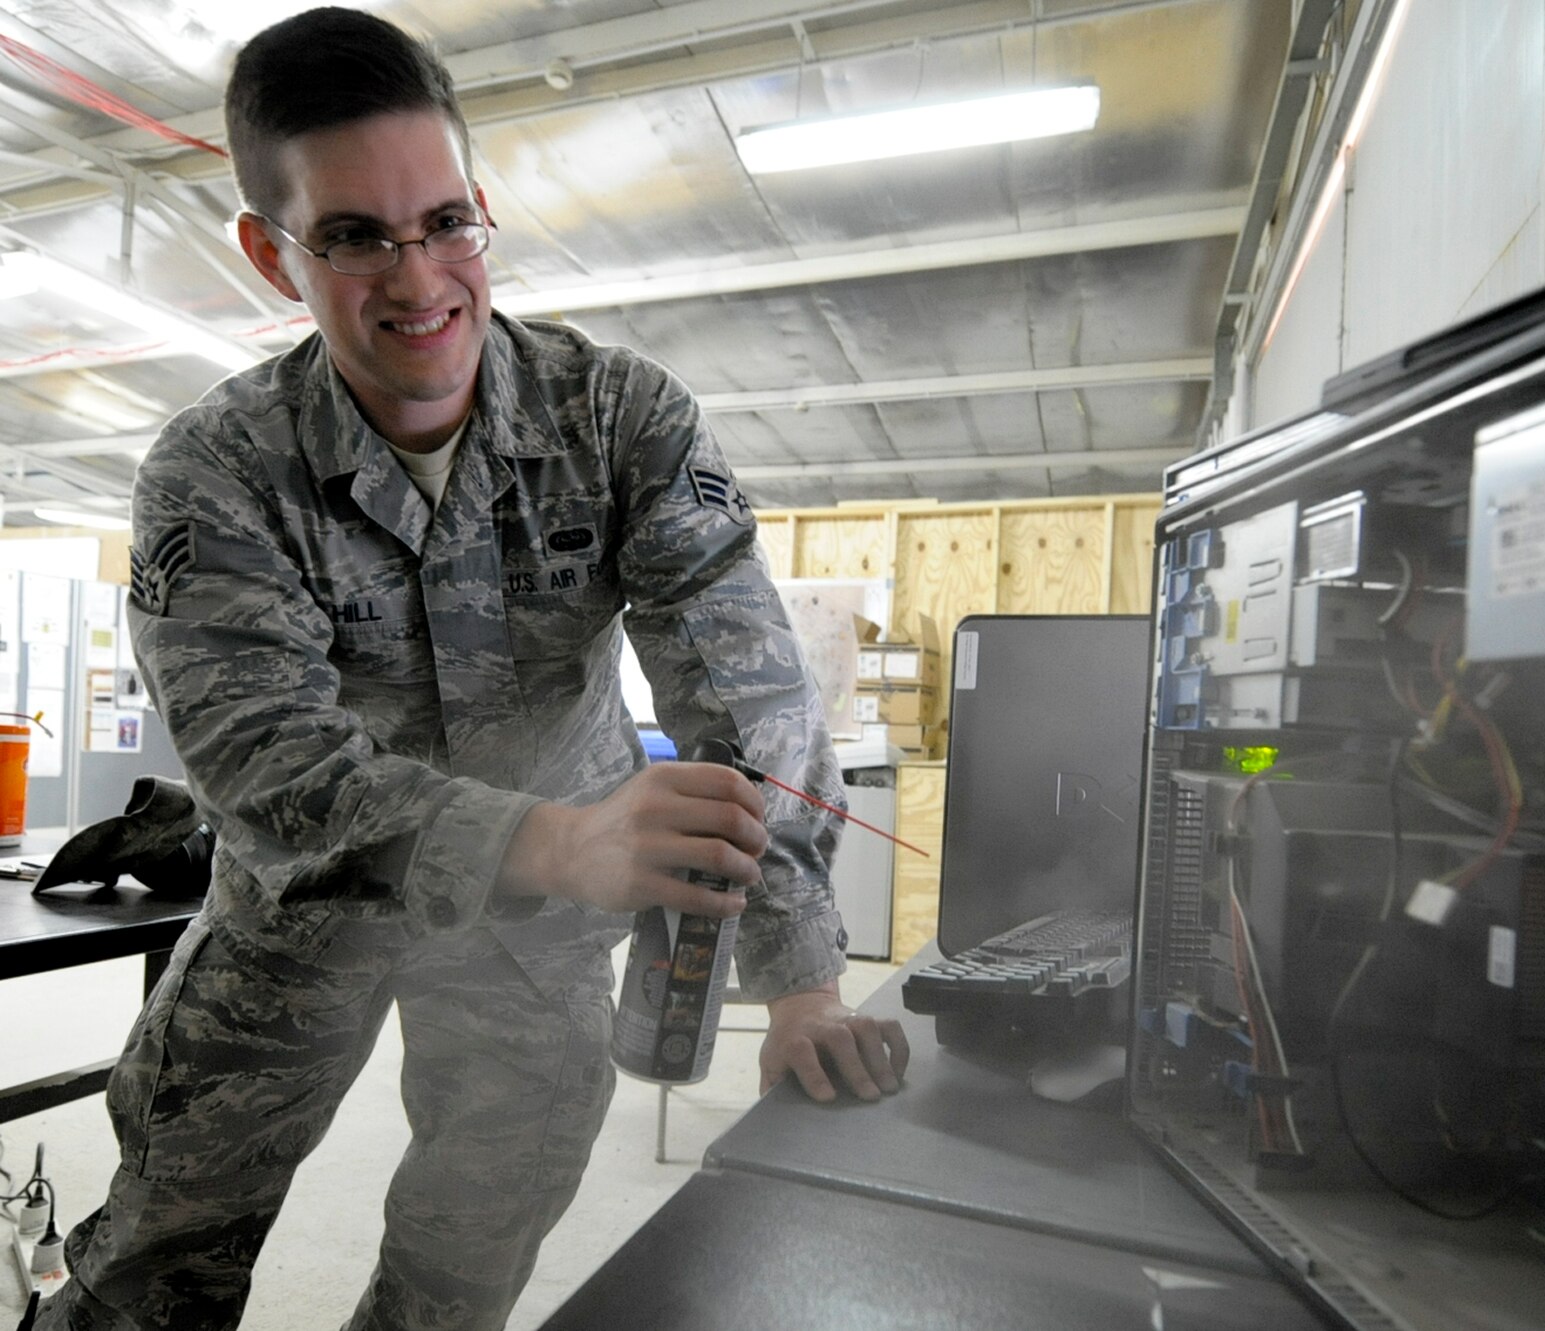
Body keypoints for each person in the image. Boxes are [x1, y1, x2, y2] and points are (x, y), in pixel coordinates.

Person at [39, 7, 907, 1328]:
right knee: (160, 1260)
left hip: (535, 947)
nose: (418, 277)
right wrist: (554, 842)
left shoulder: (618, 419)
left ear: (483, 209)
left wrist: (800, 980)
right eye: (354, 236)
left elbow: (744, 702)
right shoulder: (215, 472)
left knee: (462, 1275)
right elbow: (265, 762)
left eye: (447, 221)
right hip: (299, 913)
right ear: (273, 252)